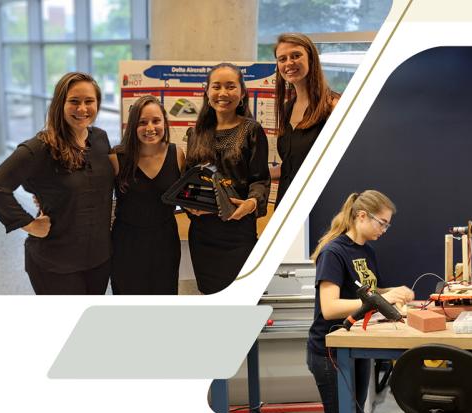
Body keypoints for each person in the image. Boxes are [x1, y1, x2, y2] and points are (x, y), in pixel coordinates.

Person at [0, 72, 114, 294]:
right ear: (60, 103)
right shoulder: (40, 147)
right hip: (56, 262)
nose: (82, 109)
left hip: (98, 258)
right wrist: (28, 224)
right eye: (74, 101)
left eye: (89, 101)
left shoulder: (100, 139)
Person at [308, 190, 414, 413]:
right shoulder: (333, 253)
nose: (384, 230)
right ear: (362, 216)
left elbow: (371, 292)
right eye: (382, 223)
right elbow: (329, 308)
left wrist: (394, 292)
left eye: (387, 225)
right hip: (330, 352)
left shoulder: (366, 250)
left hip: (355, 343)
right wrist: (383, 298)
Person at [184, 62, 270, 294]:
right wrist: (190, 205)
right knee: (210, 295)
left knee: (241, 296)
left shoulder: (252, 130)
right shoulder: (196, 133)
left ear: (242, 92)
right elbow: (189, 180)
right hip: (202, 233)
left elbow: (260, 179)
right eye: (217, 86)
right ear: (207, 92)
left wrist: (251, 203)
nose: (223, 93)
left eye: (230, 86)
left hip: (237, 231)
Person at [109, 95, 185, 294]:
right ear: (133, 125)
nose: (150, 128)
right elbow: (92, 194)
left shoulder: (177, 154)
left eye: (156, 121)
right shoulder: (117, 158)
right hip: (126, 243)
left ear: (164, 123)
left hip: (165, 241)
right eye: (142, 122)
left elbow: (188, 196)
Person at [274, 32, 339, 207]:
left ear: (311, 59)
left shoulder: (333, 106)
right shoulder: (287, 108)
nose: (289, 63)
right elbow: (291, 167)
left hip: (319, 205)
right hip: (286, 203)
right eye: (282, 59)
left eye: (296, 56)